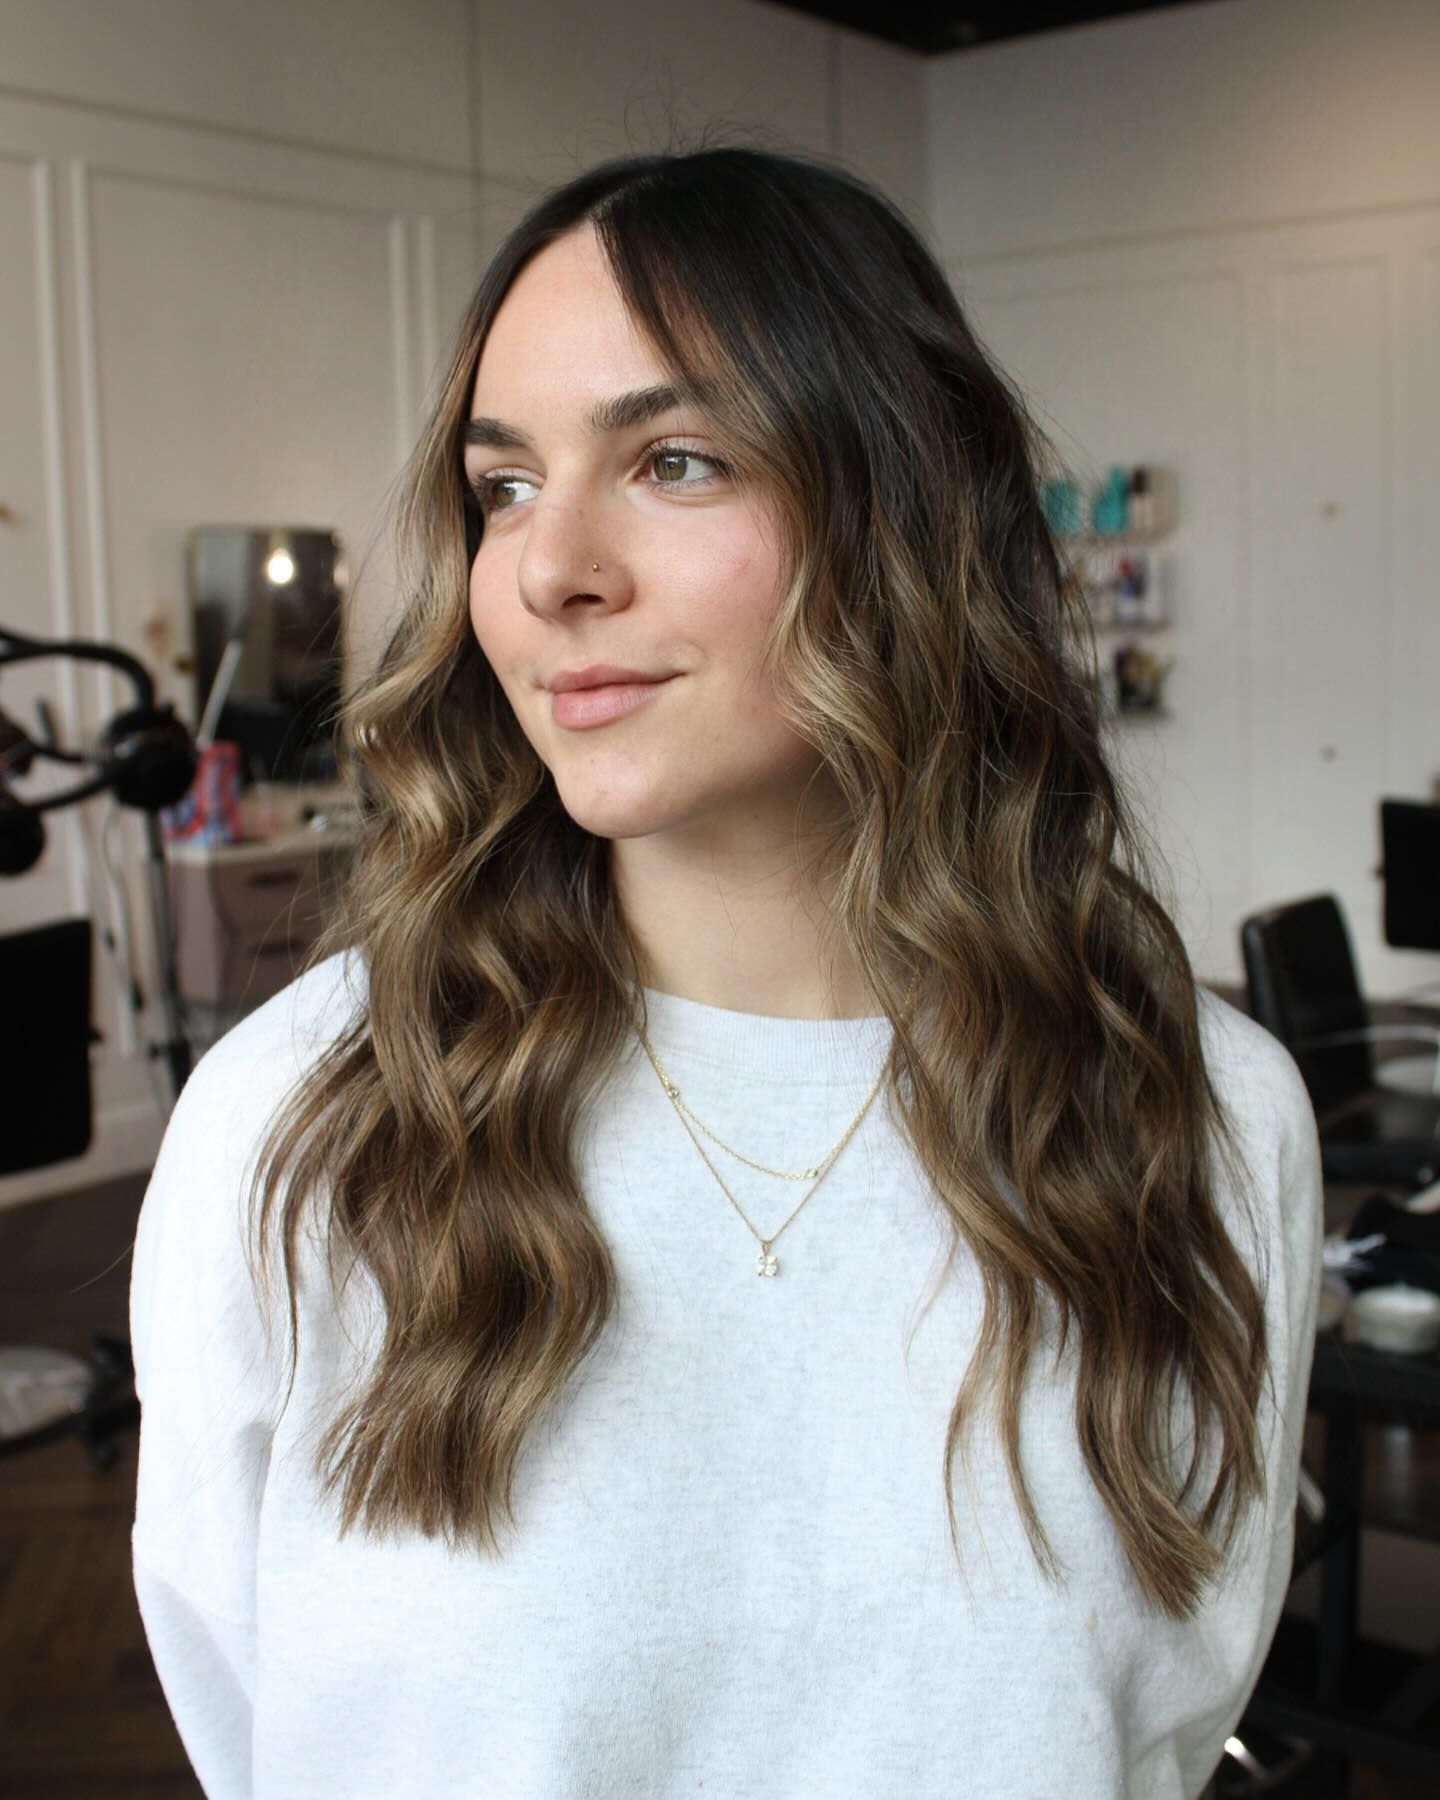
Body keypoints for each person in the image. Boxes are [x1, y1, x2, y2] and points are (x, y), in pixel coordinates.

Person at [130, 142, 1323, 1800]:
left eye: (674, 461)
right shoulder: (302, 1117)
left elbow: (1166, 1725)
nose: (548, 569)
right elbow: (245, 1710)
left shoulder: (1201, 1119)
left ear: (902, 510)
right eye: (504, 487)